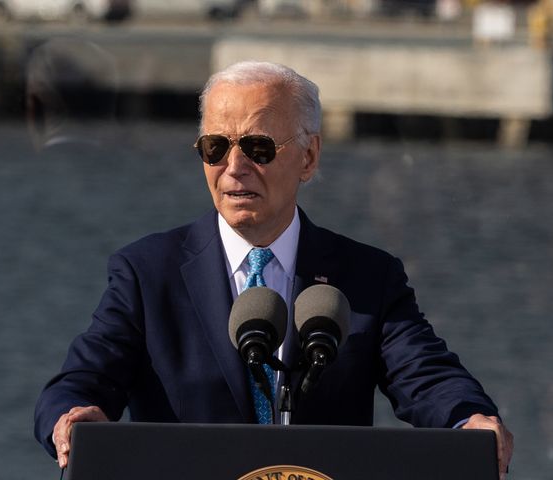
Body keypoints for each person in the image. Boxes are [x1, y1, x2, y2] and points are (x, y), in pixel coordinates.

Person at [34, 61, 513, 478]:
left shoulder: (367, 276)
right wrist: (70, 419)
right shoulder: (147, 273)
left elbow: (426, 376)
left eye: (258, 148)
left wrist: (468, 419)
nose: (234, 166)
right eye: (215, 147)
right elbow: (80, 382)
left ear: (308, 157)